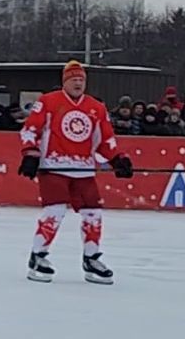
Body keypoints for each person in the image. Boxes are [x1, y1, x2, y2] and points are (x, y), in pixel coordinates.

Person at [16, 60, 132, 284]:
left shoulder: (96, 107)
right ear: (65, 82)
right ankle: (38, 256)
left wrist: (117, 158)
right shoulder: (48, 102)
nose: (78, 83)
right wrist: (30, 153)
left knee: (93, 213)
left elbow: (106, 139)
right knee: (55, 210)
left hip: (84, 169)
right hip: (54, 166)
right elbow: (30, 129)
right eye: (74, 79)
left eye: (81, 79)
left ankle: (91, 258)